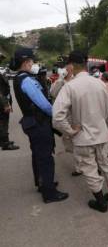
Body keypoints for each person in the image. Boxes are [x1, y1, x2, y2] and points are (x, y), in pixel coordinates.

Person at [53, 50, 108, 213]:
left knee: (89, 169)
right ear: (85, 63)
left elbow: (57, 116)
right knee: (107, 164)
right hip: (102, 134)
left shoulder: (70, 87)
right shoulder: (101, 84)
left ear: (71, 65)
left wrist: (70, 131)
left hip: (82, 138)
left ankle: (101, 203)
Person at [10, 47, 68, 203]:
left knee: (38, 155)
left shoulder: (19, 78)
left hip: (32, 123)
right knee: (45, 157)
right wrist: (57, 115)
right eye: (32, 61)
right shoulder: (27, 80)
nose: (33, 64)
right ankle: (49, 193)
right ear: (26, 62)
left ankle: (43, 183)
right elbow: (43, 104)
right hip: (39, 123)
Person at [50, 62, 83, 177]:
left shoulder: (78, 79)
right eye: (67, 66)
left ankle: (81, 167)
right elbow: (52, 93)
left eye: (71, 65)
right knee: (69, 143)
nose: (69, 68)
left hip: (78, 115)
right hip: (66, 116)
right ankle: (83, 164)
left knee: (81, 141)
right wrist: (60, 79)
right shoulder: (61, 80)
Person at [0, 54, 19, 150]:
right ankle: (5, 143)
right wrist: (6, 104)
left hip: (2, 100)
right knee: (3, 122)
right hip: (1, 102)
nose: (1, 60)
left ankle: (3, 141)